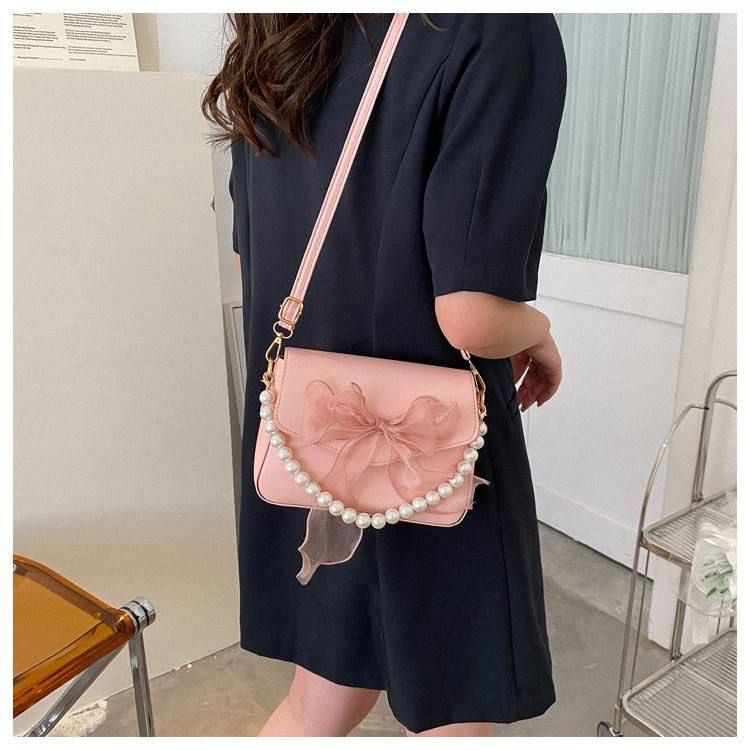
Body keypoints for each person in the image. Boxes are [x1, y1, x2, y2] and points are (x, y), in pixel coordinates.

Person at [203, 12, 566, 737]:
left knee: (317, 704)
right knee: (456, 717)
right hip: (436, 455)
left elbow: (255, 262)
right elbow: (470, 316)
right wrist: (542, 334)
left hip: (310, 445)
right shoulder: (498, 26)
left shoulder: (279, 32)